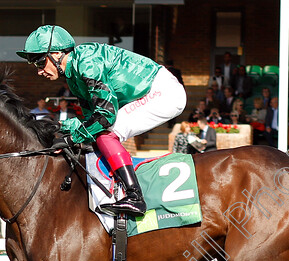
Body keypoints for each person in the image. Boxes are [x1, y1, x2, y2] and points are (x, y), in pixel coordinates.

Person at [16, 24, 186, 216]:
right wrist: (63, 128)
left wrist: (71, 139)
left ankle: (135, 197)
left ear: (56, 54)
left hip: (163, 92)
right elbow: (90, 118)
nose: (39, 71)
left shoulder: (87, 63)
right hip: (150, 92)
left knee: (106, 135)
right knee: (98, 137)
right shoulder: (73, 75)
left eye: (39, 63)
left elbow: (105, 115)